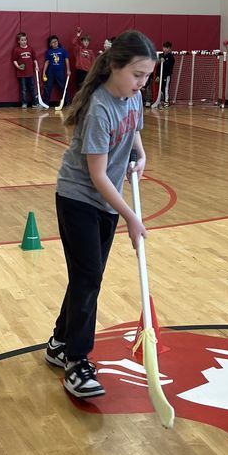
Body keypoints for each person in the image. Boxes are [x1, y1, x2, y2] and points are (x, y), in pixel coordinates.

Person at [44, 31, 156, 399]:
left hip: (107, 202)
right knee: (89, 277)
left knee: (86, 277)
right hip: (79, 199)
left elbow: (134, 133)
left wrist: (141, 156)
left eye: (147, 76)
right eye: (137, 75)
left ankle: (60, 342)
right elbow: (96, 174)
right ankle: (76, 362)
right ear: (114, 66)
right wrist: (131, 217)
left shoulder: (132, 98)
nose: (142, 83)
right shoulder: (100, 107)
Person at [42, 35, 70, 106]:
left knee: (63, 87)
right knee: (48, 87)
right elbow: (47, 62)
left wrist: (68, 70)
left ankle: (66, 102)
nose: (55, 43)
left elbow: (66, 60)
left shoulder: (62, 50)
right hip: (51, 72)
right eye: (53, 42)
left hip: (60, 72)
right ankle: (45, 103)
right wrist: (44, 72)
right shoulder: (49, 52)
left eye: (56, 41)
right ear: (50, 44)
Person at [12, 31, 37, 108]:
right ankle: (24, 103)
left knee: (32, 88)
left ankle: (35, 103)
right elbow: (14, 60)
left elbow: (34, 59)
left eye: (25, 40)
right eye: (22, 40)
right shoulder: (16, 50)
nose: (24, 41)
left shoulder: (30, 48)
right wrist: (18, 67)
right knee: (23, 89)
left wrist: (36, 66)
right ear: (19, 41)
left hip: (30, 73)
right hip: (22, 73)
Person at [158, 41, 175, 106]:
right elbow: (158, 66)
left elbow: (169, 66)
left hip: (166, 75)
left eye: (166, 48)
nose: (165, 49)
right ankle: (158, 101)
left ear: (170, 49)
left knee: (166, 88)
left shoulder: (171, 57)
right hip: (160, 75)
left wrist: (164, 62)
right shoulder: (161, 55)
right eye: (164, 47)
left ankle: (166, 101)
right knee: (161, 88)